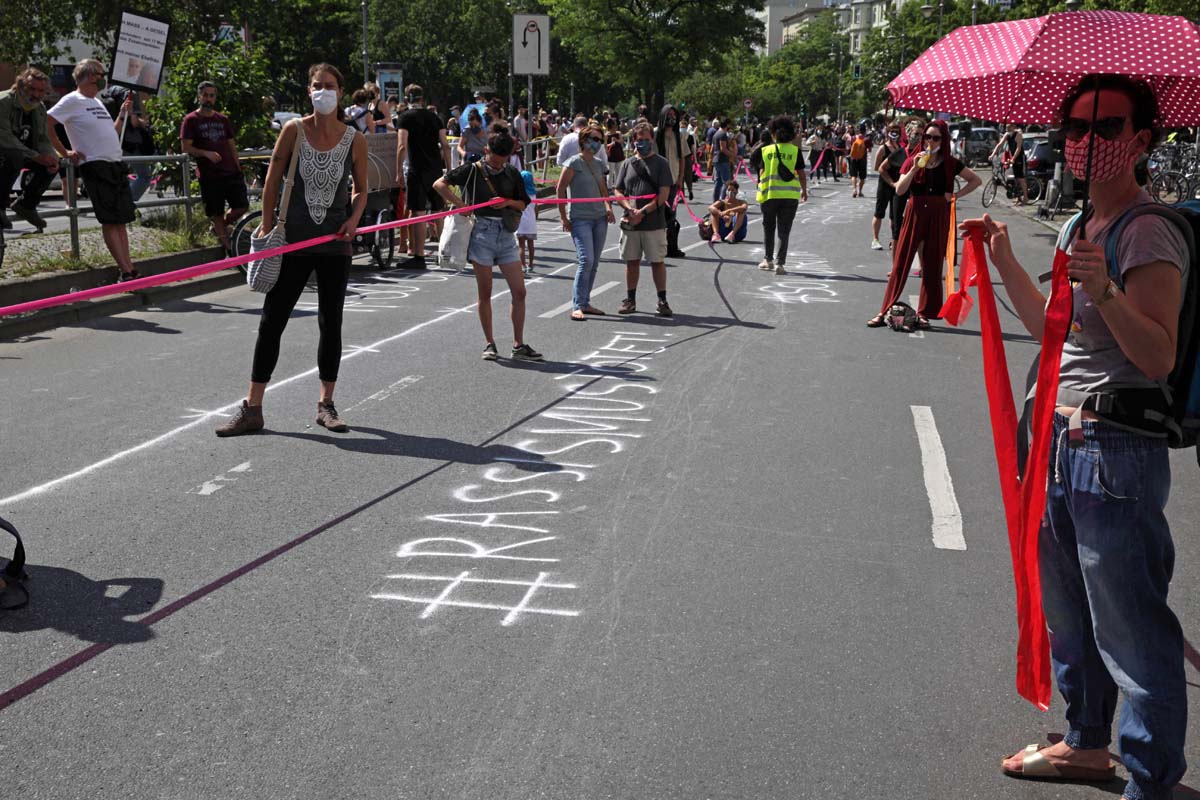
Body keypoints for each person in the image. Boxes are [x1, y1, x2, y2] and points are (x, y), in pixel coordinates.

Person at [964, 74, 1188, 800]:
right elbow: (1051, 330)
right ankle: (1088, 744)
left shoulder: (1147, 230)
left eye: (1108, 127)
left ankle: (1151, 780)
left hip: (1110, 450)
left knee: (1130, 628)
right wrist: (1004, 258)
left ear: (1143, 140)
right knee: (1070, 615)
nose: (1088, 142)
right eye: (1077, 128)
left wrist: (1107, 289)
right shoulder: (1076, 226)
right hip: (1057, 444)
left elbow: (1157, 357)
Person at [215, 63, 368, 438]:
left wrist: (353, 220)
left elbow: (362, 189)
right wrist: (268, 224)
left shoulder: (354, 139)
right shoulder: (294, 130)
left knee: (331, 322)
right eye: (317, 85)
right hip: (292, 241)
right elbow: (272, 181)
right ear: (309, 91)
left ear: (341, 92)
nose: (323, 91)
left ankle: (326, 403)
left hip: (334, 244)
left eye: (330, 85)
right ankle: (252, 408)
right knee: (272, 321)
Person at [434, 129, 542, 362]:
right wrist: (462, 205)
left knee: (520, 292)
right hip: (481, 233)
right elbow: (439, 184)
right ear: (486, 151)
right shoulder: (472, 169)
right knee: (485, 292)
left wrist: (506, 202)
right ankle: (489, 343)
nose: (498, 165)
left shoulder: (511, 172)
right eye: (494, 160)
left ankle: (518, 344)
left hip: (506, 234)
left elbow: (523, 203)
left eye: (503, 161)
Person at [868, 118, 981, 329]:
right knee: (901, 262)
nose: (930, 141)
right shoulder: (912, 159)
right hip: (915, 211)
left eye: (936, 138)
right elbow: (900, 189)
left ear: (943, 140)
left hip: (938, 214)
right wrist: (913, 169)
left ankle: (925, 312)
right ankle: (884, 310)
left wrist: (955, 196)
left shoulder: (950, 163)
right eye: (927, 137)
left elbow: (976, 180)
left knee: (932, 265)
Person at [47, 59, 139, 281]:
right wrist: (64, 151)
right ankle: (125, 270)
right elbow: (47, 122)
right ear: (89, 76)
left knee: (121, 220)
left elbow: (111, 132)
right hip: (95, 165)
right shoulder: (72, 100)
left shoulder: (97, 102)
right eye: (100, 74)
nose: (103, 78)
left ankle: (129, 267)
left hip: (114, 163)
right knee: (110, 219)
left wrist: (122, 115)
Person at [180, 81, 249, 254]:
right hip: (210, 175)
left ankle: (220, 227)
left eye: (211, 96)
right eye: (205, 95)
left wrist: (238, 166)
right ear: (199, 96)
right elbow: (186, 147)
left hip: (230, 171)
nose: (208, 99)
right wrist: (205, 153)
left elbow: (231, 146)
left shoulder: (223, 119)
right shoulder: (190, 120)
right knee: (216, 212)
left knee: (242, 206)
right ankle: (229, 249)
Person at [613, 122, 673, 317]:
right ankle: (630, 300)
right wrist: (629, 209)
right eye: (640, 140)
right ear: (634, 141)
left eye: (646, 140)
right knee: (632, 262)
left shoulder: (661, 163)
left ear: (652, 140)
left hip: (653, 223)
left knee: (657, 262)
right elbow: (618, 190)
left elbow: (664, 194)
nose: (643, 143)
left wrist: (643, 212)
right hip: (631, 222)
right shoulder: (627, 164)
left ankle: (662, 300)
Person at [557, 121, 615, 320]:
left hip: (600, 218)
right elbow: (560, 189)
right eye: (595, 139)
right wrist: (563, 217)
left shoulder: (599, 164)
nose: (598, 143)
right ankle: (577, 305)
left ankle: (585, 302)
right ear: (584, 140)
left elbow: (603, 189)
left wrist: (608, 208)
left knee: (594, 262)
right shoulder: (573, 163)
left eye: (600, 140)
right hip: (580, 219)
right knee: (586, 260)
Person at [395, 83, 450, 270]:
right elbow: (445, 145)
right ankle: (443, 253)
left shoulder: (404, 118)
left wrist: (398, 171)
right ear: (423, 98)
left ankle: (419, 255)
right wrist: (449, 170)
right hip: (435, 170)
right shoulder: (435, 118)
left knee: (418, 212)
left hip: (416, 170)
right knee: (438, 210)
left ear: (406, 98)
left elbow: (402, 146)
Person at [0, 68, 58, 231]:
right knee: (13, 158)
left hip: (22, 152)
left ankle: (26, 205)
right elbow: (4, 137)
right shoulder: (3, 102)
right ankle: (1, 207)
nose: (36, 94)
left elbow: (42, 138)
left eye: (41, 91)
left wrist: (50, 156)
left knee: (51, 164)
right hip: (6, 152)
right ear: (20, 86)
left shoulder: (39, 108)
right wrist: (35, 156)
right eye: (32, 89)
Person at [756, 115, 807, 275]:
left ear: (773, 134)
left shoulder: (766, 151)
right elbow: (801, 174)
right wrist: (804, 191)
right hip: (790, 196)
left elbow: (762, 173)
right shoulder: (795, 151)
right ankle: (780, 263)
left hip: (769, 195)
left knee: (768, 227)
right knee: (784, 231)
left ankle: (768, 260)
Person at [100, 83, 154, 201]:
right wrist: (144, 122)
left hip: (114, 140)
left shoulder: (111, 93)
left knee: (119, 176)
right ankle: (126, 202)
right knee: (144, 176)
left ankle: (118, 201)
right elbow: (134, 121)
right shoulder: (130, 93)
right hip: (130, 144)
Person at [652, 104, 691, 259]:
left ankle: (671, 247)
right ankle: (655, 246)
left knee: (671, 216)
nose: (672, 118)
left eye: (674, 115)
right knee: (657, 215)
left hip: (673, 181)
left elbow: (682, 158)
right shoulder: (655, 133)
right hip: (657, 183)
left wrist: (681, 178)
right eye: (669, 115)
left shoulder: (678, 135)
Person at [870, 122, 905, 250]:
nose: (894, 134)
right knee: (879, 212)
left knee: (894, 215)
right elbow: (877, 167)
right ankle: (875, 239)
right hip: (884, 184)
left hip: (897, 185)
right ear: (888, 132)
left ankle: (893, 240)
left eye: (897, 131)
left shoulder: (901, 148)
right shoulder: (883, 148)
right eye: (892, 131)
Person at [990, 123, 1029, 205]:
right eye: (1006, 127)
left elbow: (1018, 148)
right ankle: (1018, 197)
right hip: (1012, 157)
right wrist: (992, 154)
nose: (1007, 128)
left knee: (1021, 178)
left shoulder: (1018, 135)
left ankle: (1026, 197)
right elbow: (999, 145)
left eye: (1009, 127)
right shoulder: (1007, 134)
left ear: (1013, 127)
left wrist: (1013, 159)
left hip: (1019, 157)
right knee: (1015, 178)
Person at [706, 179, 748, 244]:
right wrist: (721, 214)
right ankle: (716, 234)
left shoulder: (741, 202)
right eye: (728, 190)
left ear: (736, 191)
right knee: (714, 212)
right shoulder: (722, 202)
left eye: (732, 190)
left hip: (738, 233)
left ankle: (732, 234)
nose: (730, 192)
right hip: (724, 230)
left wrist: (729, 211)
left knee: (741, 211)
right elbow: (710, 207)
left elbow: (744, 207)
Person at [517, 168, 538, 274]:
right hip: (531, 222)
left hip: (521, 222)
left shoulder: (518, 194)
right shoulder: (533, 194)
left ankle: (523, 265)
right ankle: (531, 264)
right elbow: (536, 209)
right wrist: (535, 218)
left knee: (521, 245)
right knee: (531, 245)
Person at [711, 119, 735, 201]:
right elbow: (723, 149)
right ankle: (723, 200)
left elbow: (712, 149)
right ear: (727, 125)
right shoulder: (722, 134)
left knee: (718, 182)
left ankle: (716, 201)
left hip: (716, 159)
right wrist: (732, 155)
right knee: (726, 182)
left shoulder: (715, 134)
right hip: (722, 160)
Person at [848, 129, 869, 198]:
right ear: (864, 132)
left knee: (853, 175)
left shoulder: (853, 138)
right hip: (863, 159)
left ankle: (854, 190)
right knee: (862, 177)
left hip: (853, 158)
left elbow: (850, 146)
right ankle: (860, 192)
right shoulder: (866, 139)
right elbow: (869, 150)